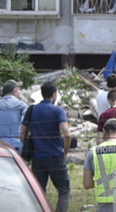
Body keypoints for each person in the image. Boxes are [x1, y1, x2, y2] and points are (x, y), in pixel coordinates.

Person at [26, 81, 74, 212]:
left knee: (39, 192)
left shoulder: (32, 110)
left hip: (38, 157)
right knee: (64, 190)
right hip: (55, 156)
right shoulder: (58, 110)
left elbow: (22, 134)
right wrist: (66, 151)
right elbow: (67, 134)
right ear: (54, 94)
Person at [0, 80, 30, 152]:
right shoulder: (20, 104)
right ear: (14, 91)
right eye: (19, 90)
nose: (20, 91)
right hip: (16, 145)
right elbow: (29, 117)